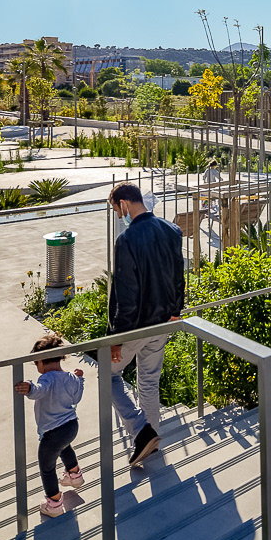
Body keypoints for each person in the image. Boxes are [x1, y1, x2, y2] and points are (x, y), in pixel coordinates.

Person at [107, 182, 185, 467]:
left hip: (135, 326)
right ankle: (150, 445)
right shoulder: (171, 230)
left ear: (124, 203)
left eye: (117, 210)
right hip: (162, 322)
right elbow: (179, 276)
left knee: (107, 375)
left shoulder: (126, 240)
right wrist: (175, 310)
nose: (119, 216)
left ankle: (141, 430)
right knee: (149, 383)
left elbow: (126, 295)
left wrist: (115, 338)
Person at [13, 334, 85, 518]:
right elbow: (76, 397)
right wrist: (80, 379)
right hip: (71, 426)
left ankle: (53, 504)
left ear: (40, 361)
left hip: (53, 432)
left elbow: (40, 390)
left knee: (47, 467)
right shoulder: (70, 377)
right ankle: (75, 476)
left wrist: (30, 387)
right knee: (65, 447)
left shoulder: (47, 378)